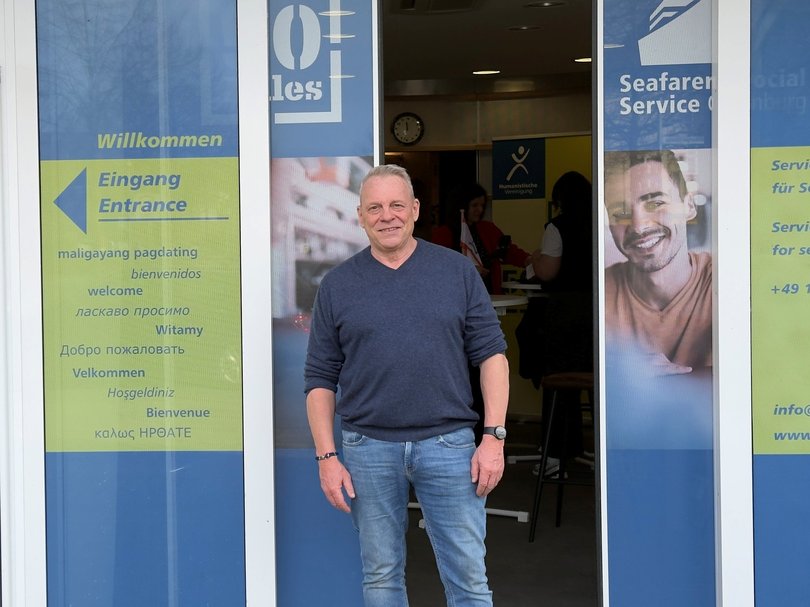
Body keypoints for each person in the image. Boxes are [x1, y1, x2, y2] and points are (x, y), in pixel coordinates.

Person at [304, 164, 510, 606]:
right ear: (360, 216)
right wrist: (326, 456)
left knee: (469, 581)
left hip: (451, 447)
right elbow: (320, 378)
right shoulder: (337, 286)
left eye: (397, 205)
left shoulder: (456, 272)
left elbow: (492, 355)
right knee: (380, 579)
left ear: (414, 209)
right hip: (367, 449)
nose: (387, 216)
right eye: (375, 207)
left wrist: (493, 437)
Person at [603, 149, 712, 374]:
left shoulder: (725, 284)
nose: (639, 226)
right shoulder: (601, 293)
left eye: (655, 204)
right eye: (620, 211)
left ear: (689, 206)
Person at [522, 171, 594, 476]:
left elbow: (548, 272)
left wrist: (535, 259)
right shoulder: (600, 223)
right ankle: (586, 449)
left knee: (560, 382)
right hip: (598, 311)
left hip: (565, 312)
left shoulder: (556, 227)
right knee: (590, 381)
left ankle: (553, 458)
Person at [432, 182, 533, 294]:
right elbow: (439, 267)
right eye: (475, 205)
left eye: (482, 205)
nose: (480, 210)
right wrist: (469, 271)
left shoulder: (488, 229)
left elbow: (508, 252)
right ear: (461, 205)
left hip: (488, 295)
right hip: (456, 297)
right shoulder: (443, 234)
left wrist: (528, 259)